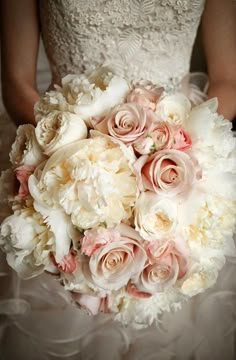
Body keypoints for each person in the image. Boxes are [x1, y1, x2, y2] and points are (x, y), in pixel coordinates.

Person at [0, 1, 236, 359]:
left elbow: (227, 79)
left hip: (180, 153)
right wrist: (69, 152)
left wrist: (174, 153)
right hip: (67, 163)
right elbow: (17, 81)